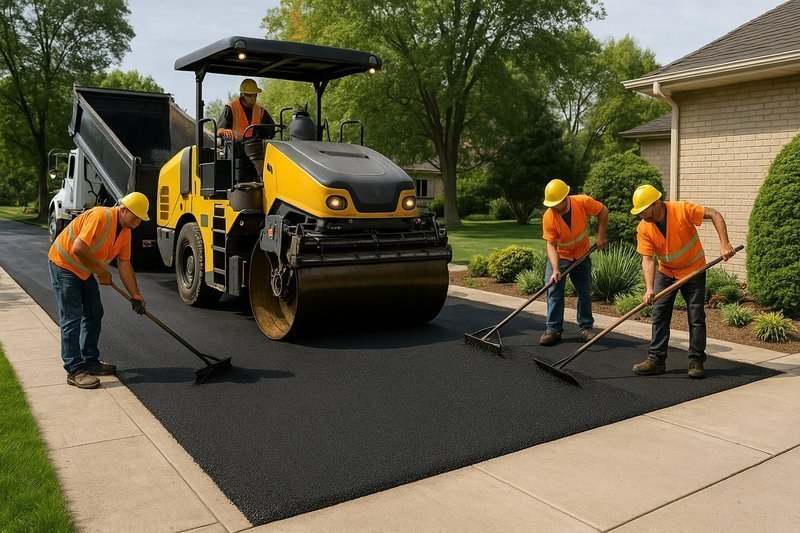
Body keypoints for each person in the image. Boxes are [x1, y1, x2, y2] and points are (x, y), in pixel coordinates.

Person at [630, 184, 736, 379]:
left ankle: (696, 360)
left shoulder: (682, 210)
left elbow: (714, 214)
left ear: (656, 203)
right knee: (659, 313)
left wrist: (724, 244)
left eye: (643, 210)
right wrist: (649, 288)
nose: (641, 216)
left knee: (696, 316)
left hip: (693, 269)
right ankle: (656, 360)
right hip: (666, 272)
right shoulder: (644, 227)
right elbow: (647, 259)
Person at [48, 192, 149, 389]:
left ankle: (90, 361)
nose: (137, 222)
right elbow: (78, 248)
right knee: (71, 318)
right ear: (123, 209)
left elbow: (124, 263)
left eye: (140, 219)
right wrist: (100, 272)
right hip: (64, 265)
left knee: (94, 312)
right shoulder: (100, 216)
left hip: (84, 269)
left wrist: (135, 294)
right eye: (135, 217)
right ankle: (75, 370)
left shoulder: (125, 232)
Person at [540, 179, 608, 346]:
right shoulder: (549, 216)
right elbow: (551, 244)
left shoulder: (582, 202)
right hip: (561, 256)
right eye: (551, 205)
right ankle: (553, 330)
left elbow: (603, 211)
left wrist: (601, 235)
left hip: (581, 254)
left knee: (584, 291)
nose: (554, 208)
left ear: (565, 198)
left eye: (556, 204)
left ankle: (586, 327)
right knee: (553, 290)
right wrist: (555, 269)